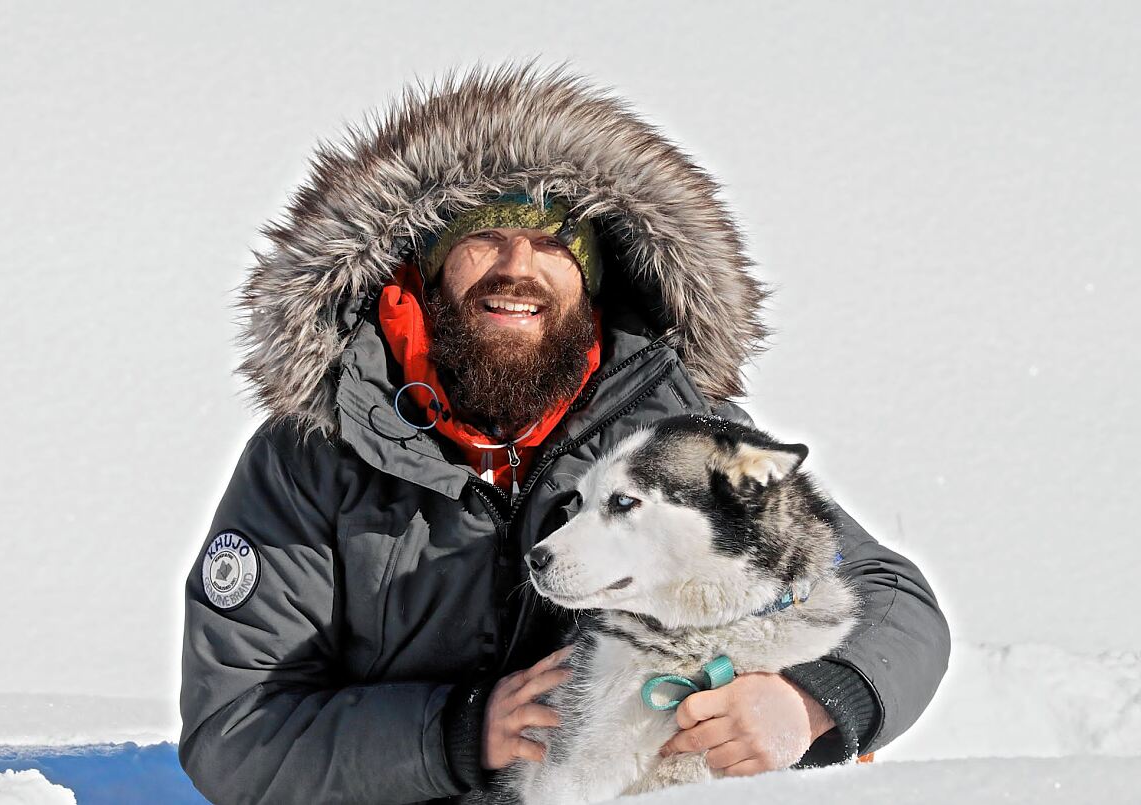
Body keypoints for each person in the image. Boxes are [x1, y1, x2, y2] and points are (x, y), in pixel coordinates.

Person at [178, 62, 949, 804]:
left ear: (594, 277)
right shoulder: (315, 457)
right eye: (483, 235)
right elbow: (235, 733)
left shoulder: (668, 440)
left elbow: (893, 599)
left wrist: (810, 702)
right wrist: (458, 731)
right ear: (425, 268)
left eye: (555, 242)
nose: (518, 267)